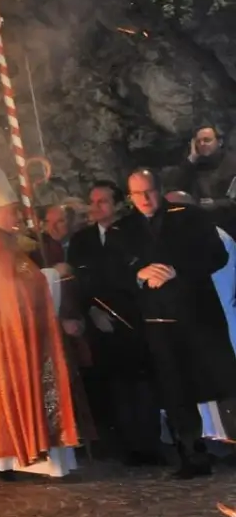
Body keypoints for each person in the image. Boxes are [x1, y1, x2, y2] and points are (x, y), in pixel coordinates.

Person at [0, 169, 82, 478]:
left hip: (2, 331)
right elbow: (19, 288)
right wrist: (54, 274)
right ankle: (25, 453)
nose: (17, 216)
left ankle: (13, 457)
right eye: (12, 211)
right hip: (8, 333)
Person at [126, 167, 236, 477]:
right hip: (158, 321)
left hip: (198, 317)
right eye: (136, 193)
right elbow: (115, 267)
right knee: (175, 392)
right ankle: (192, 456)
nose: (144, 199)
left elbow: (217, 256)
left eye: (148, 191)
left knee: (223, 382)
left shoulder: (192, 218)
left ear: (159, 189)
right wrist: (139, 273)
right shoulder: (127, 227)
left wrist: (177, 269)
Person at [65, 181, 159, 464]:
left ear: (118, 204)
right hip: (98, 321)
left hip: (134, 319)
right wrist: (91, 310)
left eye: (102, 202)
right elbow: (79, 281)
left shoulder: (136, 232)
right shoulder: (82, 240)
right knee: (111, 384)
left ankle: (148, 445)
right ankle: (121, 445)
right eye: (92, 202)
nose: (95, 208)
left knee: (141, 383)